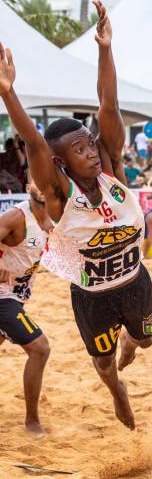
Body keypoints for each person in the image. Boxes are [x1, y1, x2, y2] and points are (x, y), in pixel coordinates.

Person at [0, 1, 152, 430]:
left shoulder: (112, 167)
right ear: (61, 161)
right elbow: (34, 143)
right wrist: (8, 92)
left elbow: (109, 103)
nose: (91, 152)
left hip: (134, 280)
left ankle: (133, 337)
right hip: (92, 295)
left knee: (144, 340)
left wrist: (105, 48)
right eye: (80, 150)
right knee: (104, 365)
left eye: (91, 144)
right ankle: (117, 392)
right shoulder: (58, 193)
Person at [0, 181, 52, 437]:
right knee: (40, 349)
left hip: (17, 297)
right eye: (35, 179)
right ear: (29, 184)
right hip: (2, 298)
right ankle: (32, 421)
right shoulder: (16, 217)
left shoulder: (54, 217)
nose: (40, 185)